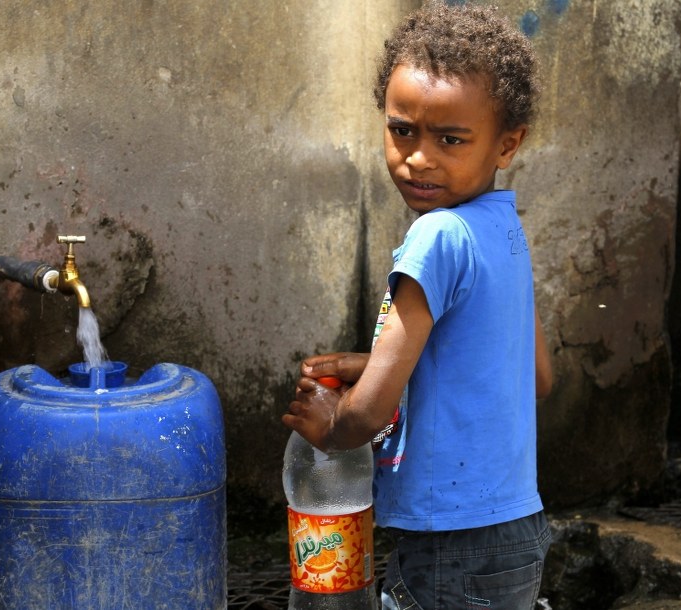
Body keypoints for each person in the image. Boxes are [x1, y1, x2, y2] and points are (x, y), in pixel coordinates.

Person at [282, 2, 553, 608]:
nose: (419, 157)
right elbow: (535, 376)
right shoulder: (504, 231)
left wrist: (332, 427)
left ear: (508, 144)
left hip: (447, 542)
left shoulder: (436, 235)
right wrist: (378, 360)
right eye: (402, 130)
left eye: (450, 139)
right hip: (515, 530)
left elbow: (369, 414)